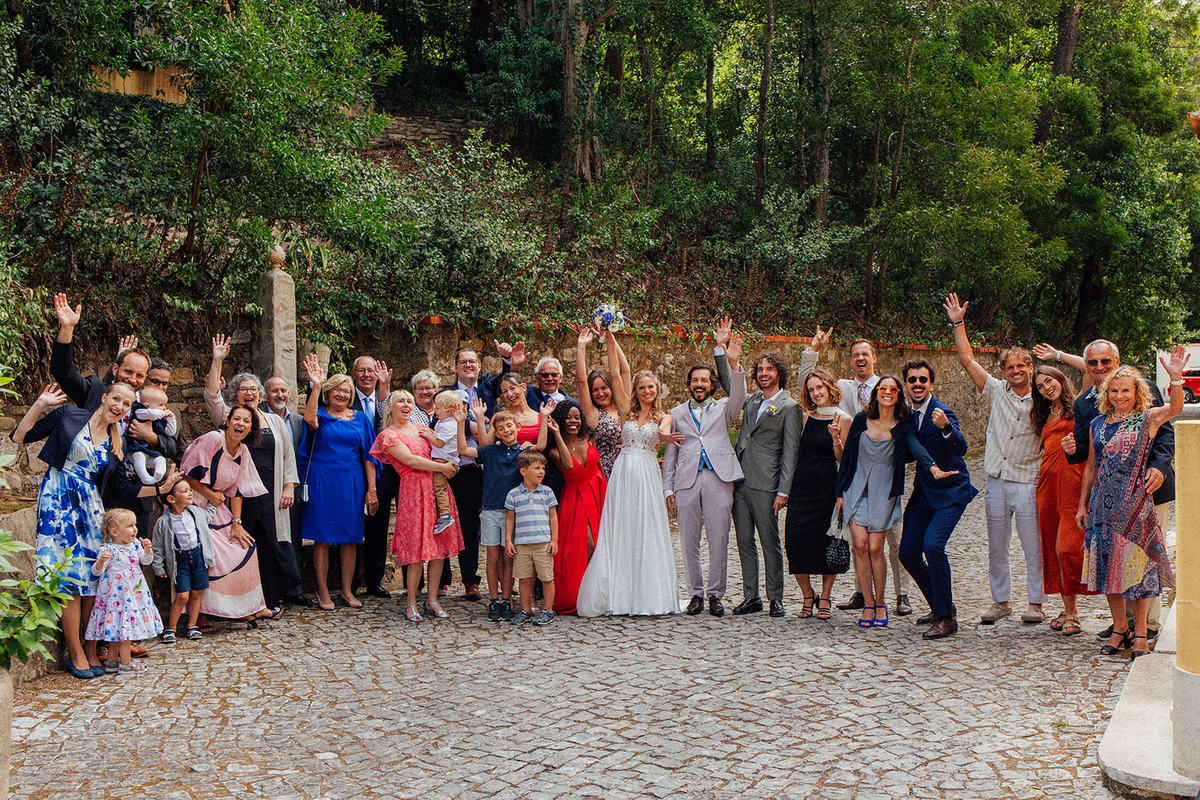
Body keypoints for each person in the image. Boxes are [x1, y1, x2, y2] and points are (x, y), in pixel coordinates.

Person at [11, 381, 161, 679]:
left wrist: (160, 487)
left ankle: (93, 650)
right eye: (115, 399)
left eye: (126, 404)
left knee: (94, 577)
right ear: (104, 398)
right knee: (68, 575)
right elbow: (19, 437)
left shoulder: (118, 444)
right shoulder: (69, 416)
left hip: (91, 507)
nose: (118, 406)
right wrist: (40, 403)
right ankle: (76, 652)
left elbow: (121, 487)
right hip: (58, 499)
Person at [1053, 337, 1175, 639]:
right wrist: (1071, 450)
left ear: (1116, 361)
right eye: (1093, 362)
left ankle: (1147, 627)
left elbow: (1165, 434)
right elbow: (1089, 451)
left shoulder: (1143, 386)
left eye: (1105, 361)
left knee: (1143, 559)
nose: (1099, 367)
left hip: (1148, 489)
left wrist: (1158, 467)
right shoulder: (1083, 404)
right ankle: (1124, 624)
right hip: (1109, 497)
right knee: (1115, 559)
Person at [1076, 348, 1187, 660]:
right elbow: (1091, 467)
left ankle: (1140, 632)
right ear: (1106, 393)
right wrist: (1082, 505)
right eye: (1114, 390)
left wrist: (1175, 377)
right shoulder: (1097, 423)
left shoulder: (1147, 419)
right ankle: (1118, 627)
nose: (1119, 395)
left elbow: (1176, 408)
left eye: (1125, 390)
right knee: (1109, 571)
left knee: (1137, 572)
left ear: (1137, 392)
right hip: (1102, 508)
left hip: (1135, 507)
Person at [944, 294, 1045, 625]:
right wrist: (958, 322)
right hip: (997, 480)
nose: (1016, 371)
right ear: (1003, 371)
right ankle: (1001, 601)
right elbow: (967, 360)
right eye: (1010, 367)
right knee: (997, 546)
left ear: (1031, 368)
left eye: (1022, 365)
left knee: (1033, 546)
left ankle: (1036, 603)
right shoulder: (997, 390)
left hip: (1028, 481)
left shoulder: (1044, 399)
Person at [800, 328, 911, 615]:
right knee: (860, 543)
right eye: (855, 355)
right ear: (850, 361)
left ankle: (901, 595)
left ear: (874, 357)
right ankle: (864, 594)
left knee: (893, 541)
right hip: (853, 475)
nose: (860, 359)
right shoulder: (845, 388)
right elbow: (811, 386)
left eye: (865, 354)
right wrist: (813, 349)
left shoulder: (889, 390)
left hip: (884, 479)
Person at [834, 376, 958, 628]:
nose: (887, 392)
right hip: (855, 489)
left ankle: (881, 602)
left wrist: (933, 468)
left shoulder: (903, 425)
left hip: (884, 492)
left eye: (893, 389)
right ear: (877, 392)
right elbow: (847, 459)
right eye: (883, 388)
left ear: (898, 394)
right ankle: (868, 604)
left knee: (875, 548)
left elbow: (917, 448)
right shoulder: (861, 419)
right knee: (859, 545)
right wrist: (839, 493)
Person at [204, 336, 302, 617]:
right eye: (243, 389)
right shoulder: (230, 416)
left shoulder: (272, 420)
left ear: (260, 395)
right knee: (241, 548)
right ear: (236, 394)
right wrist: (217, 360)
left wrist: (288, 486)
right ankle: (240, 605)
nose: (249, 393)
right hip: (237, 498)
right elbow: (211, 396)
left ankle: (269, 600)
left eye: (253, 389)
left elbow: (287, 456)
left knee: (271, 548)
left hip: (270, 496)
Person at [577, 369, 681, 617]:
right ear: (636, 391)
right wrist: (611, 335)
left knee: (646, 528)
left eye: (651, 387)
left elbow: (665, 430)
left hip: (646, 474)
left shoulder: (664, 416)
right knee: (621, 527)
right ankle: (618, 592)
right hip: (623, 474)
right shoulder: (626, 412)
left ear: (658, 389)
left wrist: (664, 435)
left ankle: (647, 594)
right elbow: (618, 371)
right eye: (642, 387)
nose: (647, 391)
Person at [716, 319, 800, 618]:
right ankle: (752, 596)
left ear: (779, 374)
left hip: (767, 485)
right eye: (760, 370)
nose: (764, 374)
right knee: (744, 541)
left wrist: (783, 490)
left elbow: (791, 452)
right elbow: (730, 386)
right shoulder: (751, 400)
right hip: (739, 480)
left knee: (770, 542)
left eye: (769, 370)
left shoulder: (790, 407)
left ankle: (775, 597)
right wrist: (726, 355)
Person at [663, 329, 747, 617]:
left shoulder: (724, 408)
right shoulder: (676, 412)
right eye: (695, 380)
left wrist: (732, 362)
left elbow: (739, 395)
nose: (700, 384)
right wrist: (667, 488)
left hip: (718, 478)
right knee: (688, 540)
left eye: (705, 380)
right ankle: (695, 594)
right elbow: (671, 452)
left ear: (712, 385)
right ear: (689, 385)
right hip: (686, 481)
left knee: (718, 537)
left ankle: (715, 595)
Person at [897, 359, 978, 639]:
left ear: (931, 383)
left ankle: (945, 618)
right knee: (907, 552)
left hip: (951, 490)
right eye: (912, 380)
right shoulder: (905, 415)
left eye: (922, 379)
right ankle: (939, 604)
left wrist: (945, 428)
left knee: (933, 545)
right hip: (923, 493)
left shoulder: (942, 411)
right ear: (906, 384)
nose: (917, 384)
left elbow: (962, 447)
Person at [370, 390, 463, 622]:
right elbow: (410, 460)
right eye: (400, 401)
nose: (406, 405)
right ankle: (411, 601)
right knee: (415, 551)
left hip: (436, 491)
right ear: (390, 407)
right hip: (413, 493)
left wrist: (451, 464)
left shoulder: (425, 430)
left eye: (409, 401)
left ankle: (432, 599)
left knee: (438, 549)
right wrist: (441, 467)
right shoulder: (388, 435)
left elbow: (443, 447)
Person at [299, 354, 379, 611]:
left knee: (350, 537)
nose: (342, 395)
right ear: (328, 392)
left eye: (346, 391)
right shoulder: (320, 414)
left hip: (351, 483)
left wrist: (372, 490)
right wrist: (316, 384)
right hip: (323, 480)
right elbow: (309, 420)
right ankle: (322, 591)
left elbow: (369, 456)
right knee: (322, 538)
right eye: (337, 390)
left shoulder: (360, 419)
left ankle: (347, 590)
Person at [180, 406, 271, 624]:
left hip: (216, 507)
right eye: (236, 419)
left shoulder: (243, 452)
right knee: (208, 551)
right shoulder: (212, 440)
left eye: (246, 421)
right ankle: (200, 612)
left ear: (251, 428)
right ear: (228, 421)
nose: (240, 424)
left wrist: (236, 523)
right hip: (192, 504)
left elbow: (238, 490)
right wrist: (209, 494)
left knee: (244, 547)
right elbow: (186, 475)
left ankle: (243, 607)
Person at [442, 345, 511, 601]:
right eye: (463, 362)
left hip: (493, 467)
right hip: (465, 468)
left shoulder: (487, 389)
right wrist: (475, 425)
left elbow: (505, 379)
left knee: (504, 521)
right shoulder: (446, 395)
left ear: (480, 366)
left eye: (473, 361)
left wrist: (506, 359)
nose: (468, 365)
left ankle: (507, 581)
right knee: (469, 527)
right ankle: (470, 581)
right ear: (456, 366)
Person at [1031, 365, 1094, 636]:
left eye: (1049, 381)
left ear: (1060, 379)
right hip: (1047, 484)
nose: (1046, 388)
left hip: (1072, 481)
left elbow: (1088, 368)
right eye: (1041, 386)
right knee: (1050, 547)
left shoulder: (1079, 403)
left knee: (1067, 547)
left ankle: (1073, 609)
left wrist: (1056, 355)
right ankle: (1069, 609)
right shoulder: (1043, 414)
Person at [786, 369, 852, 620]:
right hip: (802, 487)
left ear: (829, 386)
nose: (816, 393)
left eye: (819, 387)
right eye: (811, 389)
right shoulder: (805, 418)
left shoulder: (844, 418)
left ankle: (825, 596)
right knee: (795, 541)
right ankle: (807, 594)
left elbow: (844, 460)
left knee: (827, 543)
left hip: (828, 488)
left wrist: (836, 438)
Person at [455, 404, 526, 621]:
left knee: (508, 557)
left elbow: (541, 447)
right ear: (495, 431)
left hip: (511, 513)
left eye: (509, 426)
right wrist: (460, 423)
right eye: (501, 428)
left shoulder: (523, 453)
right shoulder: (490, 451)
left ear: (517, 427)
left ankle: (507, 597)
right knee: (493, 556)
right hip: (489, 510)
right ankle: (494, 599)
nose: (506, 430)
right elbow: (463, 451)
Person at [545, 399, 607, 614]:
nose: (574, 421)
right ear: (562, 420)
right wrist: (557, 435)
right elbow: (569, 465)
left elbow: (598, 464)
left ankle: (601, 591)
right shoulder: (554, 450)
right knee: (585, 546)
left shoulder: (589, 437)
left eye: (577, 417)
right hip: (575, 498)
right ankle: (583, 593)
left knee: (602, 544)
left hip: (598, 491)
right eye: (569, 417)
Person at [85, 509, 162, 676]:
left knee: (120, 628)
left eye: (135, 525)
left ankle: (112, 661)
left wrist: (147, 550)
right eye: (130, 526)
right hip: (116, 596)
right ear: (114, 531)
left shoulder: (134, 546)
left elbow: (146, 561)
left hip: (134, 593)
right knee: (121, 628)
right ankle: (125, 662)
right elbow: (97, 572)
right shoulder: (108, 549)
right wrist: (100, 562)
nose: (135, 529)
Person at [151, 477, 215, 643]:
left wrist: (215, 500)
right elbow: (157, 547)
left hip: (198, 558)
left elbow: (209, 514)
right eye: (185, 491)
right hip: (180, 561)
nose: (190, 493)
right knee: (182, 596)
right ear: (171, 499)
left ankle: (192, 626)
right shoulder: (164, 522)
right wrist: (158, 567)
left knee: (196, 593)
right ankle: (171, 628)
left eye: (190, 490)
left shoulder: (195, 513)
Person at [352, 355, 394, 599]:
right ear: (354, 374)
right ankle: (352, 581)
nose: (367, 375)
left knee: (378, 529)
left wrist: (385, 388)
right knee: (353, 526)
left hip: (381, 473)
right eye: (362, 371)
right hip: (352, 471)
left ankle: (374, 581)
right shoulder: (346, 397)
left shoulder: (385, 400)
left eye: (371, 370)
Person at [504, 450, 560, 626]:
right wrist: (508, 541)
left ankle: (549, 610)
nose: (541, 471)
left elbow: (553, 517)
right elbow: (510, 518)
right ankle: (525, 610)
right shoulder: (513, 494)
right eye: (537, 468)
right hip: (522, 544)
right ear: (523, 471)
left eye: (543, 468)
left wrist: (554, 540)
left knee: (546, 577)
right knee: (524, 578)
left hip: (543, 543)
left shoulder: (547, 492)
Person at [574, 326, 632, 479]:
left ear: (611, 387)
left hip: (631, 472)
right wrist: (581, 347)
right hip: (607, 477)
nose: (600, 393)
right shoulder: (593, 414)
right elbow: (581, 381)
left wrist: (610, 338)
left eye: (604, 388)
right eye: (595, 390)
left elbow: (624, 371)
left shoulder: (624, 407)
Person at [124, 386, 177, 484]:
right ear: (147, 405)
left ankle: (158, 475)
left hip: (150, 451)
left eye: (165, 405)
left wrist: (171, 419)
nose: (164, 408)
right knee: (139, 457)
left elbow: (170, 432)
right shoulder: (140, 411)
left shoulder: (161, 418)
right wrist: (163, 413)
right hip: (135, 448)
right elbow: (151, 414)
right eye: (161, 404)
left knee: (160, 459)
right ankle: (145, 478)